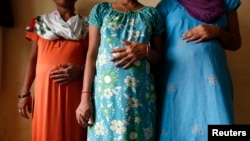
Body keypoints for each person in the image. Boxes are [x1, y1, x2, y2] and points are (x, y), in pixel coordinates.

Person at [75, 0, 164, 140]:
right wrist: (85, 97)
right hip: (105, 98)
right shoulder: (102, 11)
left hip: (140, 97)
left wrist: (146, 51)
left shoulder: (151, 14)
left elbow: (159, 59)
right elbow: (91, 55)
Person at [154, 0, 241, 140]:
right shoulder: (166, 5)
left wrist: (217, 32)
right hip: (177, 82)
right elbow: (156, 53)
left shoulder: (226, 2)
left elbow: (236, 43)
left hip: (214, 80)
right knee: (177, 126)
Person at [17, 0, 88, 140]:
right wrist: (24, 94)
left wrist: (80, 70)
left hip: (75, 94)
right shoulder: (39, 23)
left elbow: (95, 60)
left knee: (73, 133)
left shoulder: (87, 26)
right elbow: (33, 59)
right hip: (45, 95)